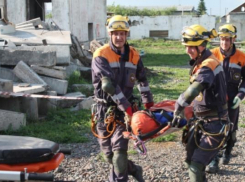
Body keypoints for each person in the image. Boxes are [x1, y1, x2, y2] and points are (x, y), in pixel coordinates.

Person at [91, 15, 154, 182]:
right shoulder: (101, 55)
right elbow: (108, 86)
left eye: (123, 33)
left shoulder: (134, 55)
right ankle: (134, 169)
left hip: (124, 115)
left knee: (119, 155)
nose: (119, 37)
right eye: (115, 33)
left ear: (127, 35)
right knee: (109, 156)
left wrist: (148, 103)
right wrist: (125, 106)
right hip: (104, 111)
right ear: (110, 34)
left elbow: (143, 81)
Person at [172, 24, 229, 182]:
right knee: (191, 162)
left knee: (195, 167)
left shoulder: (208, 64)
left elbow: (193, 91)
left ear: (202, 46)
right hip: (202, 122)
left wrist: (179, 107)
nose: (188, 51)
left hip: (214, 124)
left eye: (192, 47)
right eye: (186, 47)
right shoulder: (202, 61)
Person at [206, 24, 245, 173]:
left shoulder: (242, 57)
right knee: (216, 129)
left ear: (233, 39)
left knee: (232, 130)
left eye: (228, 39)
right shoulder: (212, 54)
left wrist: (240, 95)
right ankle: (214, 160)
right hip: (216, 100)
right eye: (222, 39)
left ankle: (228, 150)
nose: (224, 42)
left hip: (232, 100)